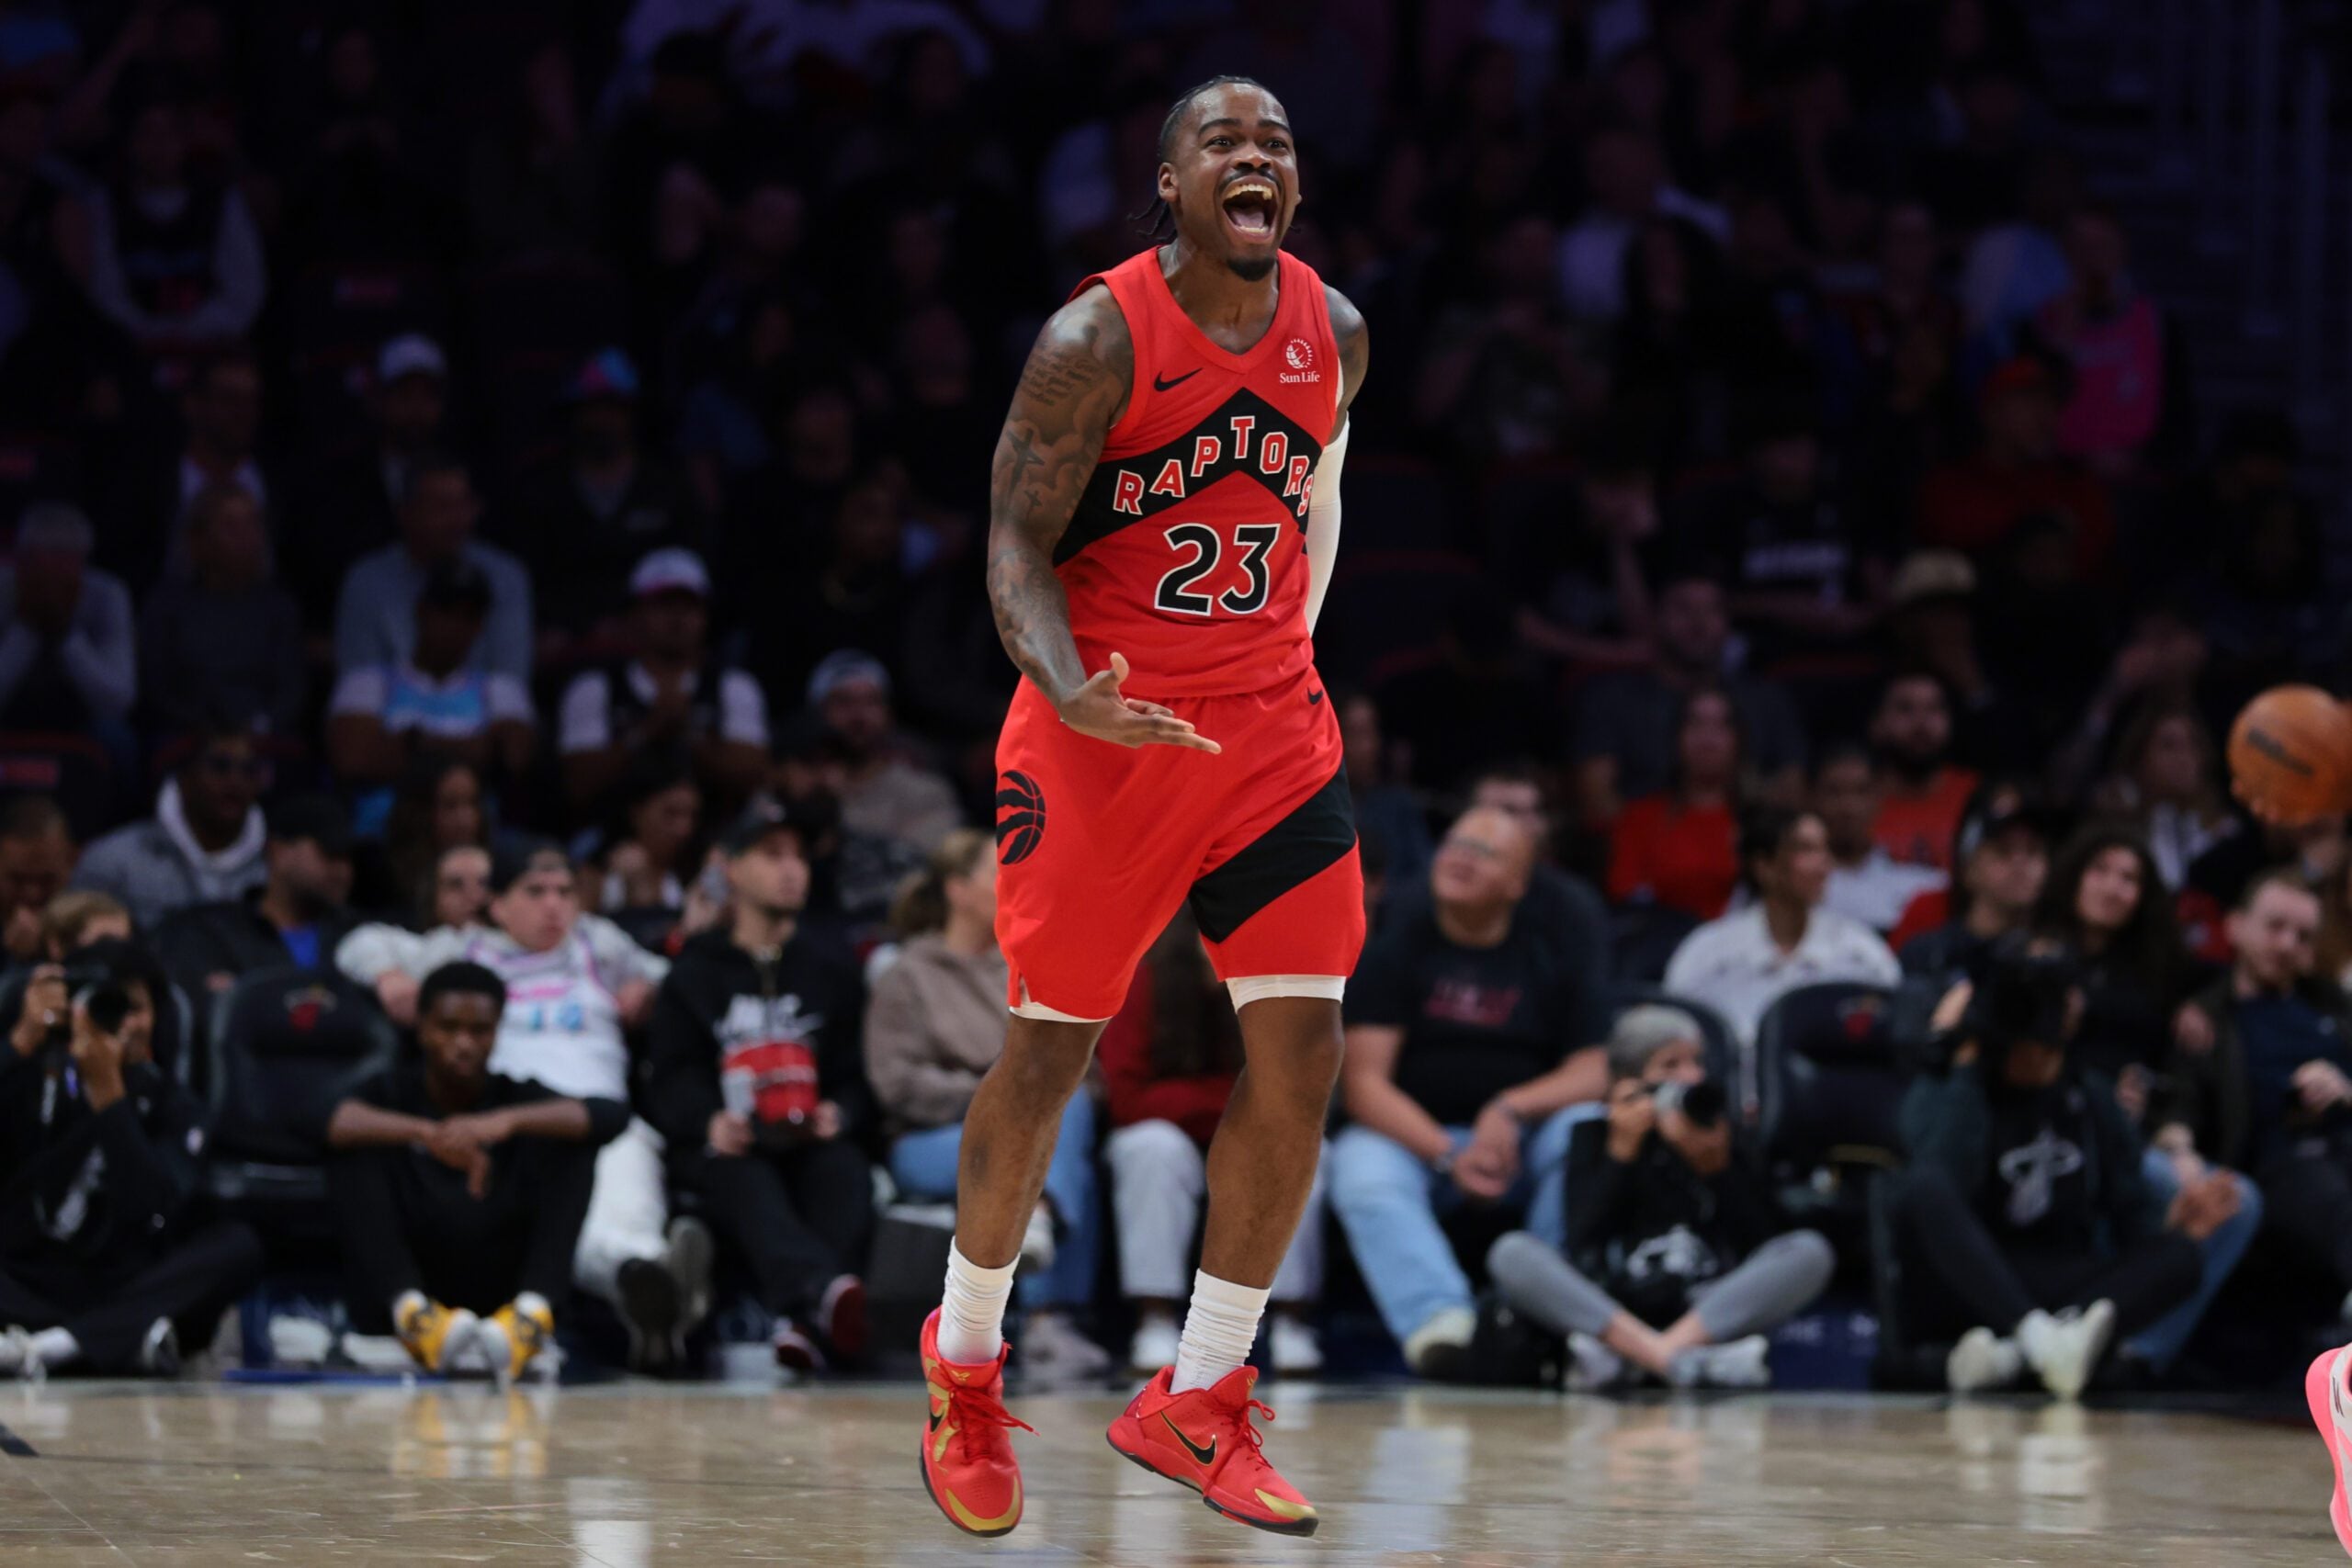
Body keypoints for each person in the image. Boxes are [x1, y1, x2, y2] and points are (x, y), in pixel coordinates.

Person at [920, 77, 1368, 1541]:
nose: (1257, 159)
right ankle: (967, 1362)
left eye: (1278, 143)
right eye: (1223, 144)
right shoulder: (1093, 338)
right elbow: (1012, 544)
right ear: (1167, 186)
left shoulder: (1337, 333)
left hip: (1268, 738)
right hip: (1102, 733)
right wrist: (1073, 685)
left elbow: (1316, 514)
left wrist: (1286, 670)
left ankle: (1199, 1389)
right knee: (1050, 1061)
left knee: (1301, 1056)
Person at [334, 841, 705, 1370]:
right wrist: (386, 974)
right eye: (535, 892)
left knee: (620, 1199)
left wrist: (647, 983)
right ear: (498, 905)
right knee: (578, 1210)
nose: (554, 906)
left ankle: (647, 1285)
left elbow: (677, 975)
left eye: (564, 892)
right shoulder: (462, 949)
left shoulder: (598, 946)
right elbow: (360, 943)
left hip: (602, 1118)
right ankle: (649, 1282)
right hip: (511, 1134)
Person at [1332, 806, 1605, 1376]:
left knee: (1585, 1131)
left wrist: (1508, 1110)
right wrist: (1447, 1152)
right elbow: (1363, 1084)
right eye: (1455, 843)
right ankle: (1442, 1328)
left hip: (1523, 1139)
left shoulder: (1553, 949)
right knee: (1359, 1164)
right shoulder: (1396, 947)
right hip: (1421, 1143)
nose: (1460, 856)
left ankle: (1539, 1316)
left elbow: (1595, 1071)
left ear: (1517, 883)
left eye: (1485, 852)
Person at [1892, 941, 2211, 1398]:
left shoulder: (2091, 1097)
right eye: (2021, 1046)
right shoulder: (1958, 1085)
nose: (2033, 1059)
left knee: (2182, 1256)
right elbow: (1937, 1185)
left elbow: (2131, 1215)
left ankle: (2015, 1357)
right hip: (1972, 1278)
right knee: (1923, 1186)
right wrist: (1962, 1062)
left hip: (2058, 1278)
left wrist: (2175, 1226)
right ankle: (2042, 1342)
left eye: (2044, 1047)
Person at [1487, 1007, 1835, 1389]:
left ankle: (1645, 1357)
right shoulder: (1594, 1135)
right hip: (1617, 1301)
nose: (1692, 1076)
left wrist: (1717, 1168)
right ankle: (1685, 1360)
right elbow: (1583, 1246)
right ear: (1627, 1082)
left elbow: (1761, 1242)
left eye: (1696, 1062)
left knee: (1810, 1250)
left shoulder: (1720, 1129)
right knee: (1511, 1252)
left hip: (1702, 1304)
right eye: (1670, 1066)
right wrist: (1621, 1154)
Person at [646, 804, 876, 1371]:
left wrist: (840, 1112)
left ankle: (802, 1320)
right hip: (732, 1143)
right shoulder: (694, 971)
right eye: (772, 855)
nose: (793, 869)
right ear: (730, 869)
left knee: (844, 1170)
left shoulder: (831, 966)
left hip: (810, 1136)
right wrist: (707, 1121)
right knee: (738, 1177)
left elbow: (858, 1076)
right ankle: (820, 1299)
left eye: (799, 856)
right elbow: (668, 1076)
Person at [865, 829, 1102, 1373]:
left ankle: (1048, 1307)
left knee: (1070, 1109)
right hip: (931, 1137)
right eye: (1000, 871)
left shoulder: (1030, 965)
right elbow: (896, 1083)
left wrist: (1026, 1101)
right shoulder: (906, 975)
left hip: (1039, 1128)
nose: (1017, 882)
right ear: (957, 891)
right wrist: (1000, 1100)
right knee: (1044, 1128)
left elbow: (1083, 1068)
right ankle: (1043, 1268)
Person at [323, 962, 622, 1379]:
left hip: (499, 1281)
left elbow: (612, 1116)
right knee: (353, 1149)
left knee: (572, 1144)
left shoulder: (514, 1096)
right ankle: (415, 1317)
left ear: (498, 1031)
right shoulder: (390, 1091)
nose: (463, 1043)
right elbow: (326, 1122)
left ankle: (530, 1318)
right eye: (448, 1027)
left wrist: (503, 1123)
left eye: (479, 1030)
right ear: (422, 1027)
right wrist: (429, 1134)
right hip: (413, 1275)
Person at [0, 942, 262, 1376]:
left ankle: (55, 1348)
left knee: (238, 1245)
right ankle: (111, 1344)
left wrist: (110, 1097)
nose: (122, 1023)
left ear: (158, 1017)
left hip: (123, 1282)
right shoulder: (34, 1075)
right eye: (105, 1005)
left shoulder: (174, 1105)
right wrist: (21, 1040)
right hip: (24, 1276)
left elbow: (152, 1209)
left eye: (134, 1008)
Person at [1101, 911, 1327, 1379]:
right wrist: (1228, 1101)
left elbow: (1297, 1090)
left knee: (1298, 1145)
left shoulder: (1283, 983)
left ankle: (1290, 1317)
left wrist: (1227, 1106)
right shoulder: (1143, 977)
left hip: (1246, 1125)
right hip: (1167, 1128)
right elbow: (1126, 1098)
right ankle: (1155, 1316)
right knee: (1152, 1149)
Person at [1569, 567, 1806, 833]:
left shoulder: (1766, 699)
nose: (1698, 622)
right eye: (1682, 609)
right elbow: (1596, 799)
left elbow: (1792, 789)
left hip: (1748, 849)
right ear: (1655, 617)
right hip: (1642, 853)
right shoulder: (1611, 698)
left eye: (1712, 610)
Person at [1664, 807, 1902, 1061]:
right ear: (1764, 866)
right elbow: (1669, 1031)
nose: (1824, 865)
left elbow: (1895, 1023)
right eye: (1806, 850)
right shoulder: (1708, 950)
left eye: (1825, 849)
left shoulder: (1860, 950)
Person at [557, 548, 770, 820]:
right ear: (634, 613)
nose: (678, 617)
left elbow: (752, 778)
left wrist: (688, 734)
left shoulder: (734, 686)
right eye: (664, 603)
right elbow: (578, 786)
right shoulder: (594, 687)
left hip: (715, 839)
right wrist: (646, 731)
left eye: (690, 605)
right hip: (612, 837)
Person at [325, 558, 536, 799]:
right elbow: (353, 761)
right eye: (446, 611)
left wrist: (413, 743)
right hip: (382, 831)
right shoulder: (367, 683)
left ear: (479, 626)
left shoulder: (500, 690)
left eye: (468, 616)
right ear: (421, 610)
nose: (455, 626)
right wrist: (471, 749)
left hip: (472, 832)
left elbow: (513, 760)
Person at [334, 453, 533, 686]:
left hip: (486, 716)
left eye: (464, 504)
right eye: (442, 507)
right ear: (405, 513)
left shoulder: (505, 577)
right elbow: (358, 687)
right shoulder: (366, 581)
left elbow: (510, 684)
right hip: (387, 717)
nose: (457, 520)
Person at [135, 481, 305, 740]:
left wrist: (260, 726)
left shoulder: (279, 608)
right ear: (197, 539)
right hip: (186, 737)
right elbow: (157, 688)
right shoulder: (166, 606)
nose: (247, 538)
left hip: (265, 739)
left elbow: (291, 689)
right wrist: (203, 728)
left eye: (253, 524)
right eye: (231, 527)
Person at [153, 795, 354, 999]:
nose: (343, 870)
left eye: (348, 858)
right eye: (330, 854)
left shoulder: (357, 933)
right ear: (278, 851)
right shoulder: (213, 935)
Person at [73, 722, 267, 931]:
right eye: (220, 766)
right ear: (185, 777)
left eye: (249, 769)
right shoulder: (113, 861)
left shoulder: (275, 866)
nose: (235, 780)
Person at [805, 650, 961, 857]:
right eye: (843, 701)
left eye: (871, 701)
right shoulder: (797, 792)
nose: (859, 716)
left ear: (888, 714)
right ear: (818, 713)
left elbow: (916, 868)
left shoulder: (926, 795)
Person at [1606, 686, 1743, 920]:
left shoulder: (1758, 819)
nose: (1707, 736)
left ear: (1739, 739)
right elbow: (1626, 894)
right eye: (1695, 723)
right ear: (1676, 736)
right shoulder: (1641, 817)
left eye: (1721, 725)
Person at [0, 502, 136, 737]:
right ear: (20, 564)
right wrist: (27, 626)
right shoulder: (4, 590)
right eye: (42, 567)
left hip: (79, 719)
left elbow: (119, 700)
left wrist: (66, 634)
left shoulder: (107, 594)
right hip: (9, 712)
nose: (51, 582)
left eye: (64, 566)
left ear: (83, 565)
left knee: (114, 736)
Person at [1897, 786, 2055, 984]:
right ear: (1969, 868)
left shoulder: (2054, 958)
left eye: (2032, 851)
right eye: (2003, 851)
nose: (2020, 863)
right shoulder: (1925, 954)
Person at [1816, 744, 1947, 934]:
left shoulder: (1919, 884)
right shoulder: (1793, 887)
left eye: (1861, 791)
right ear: (1812, 797)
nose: (1847, 806)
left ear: (1878, 798)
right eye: (1834, 792)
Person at [2110, 700, 2237, 892]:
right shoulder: (2117, 827)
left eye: (2193, 744)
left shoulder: (2225, 832)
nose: (2184, 757)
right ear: (2139, 757)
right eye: (2168, 746)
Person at [1869, 672, 1980, 872]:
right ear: (1877, 723)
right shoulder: (1856, 803)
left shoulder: (1977, 796)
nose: (1921, 723)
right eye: (1905, 709)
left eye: (1934, 709)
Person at [0, 795, 75, 964]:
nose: (32, 893)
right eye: (17, 879)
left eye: (46, 880)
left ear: (71, 862)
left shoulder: (93, 924)